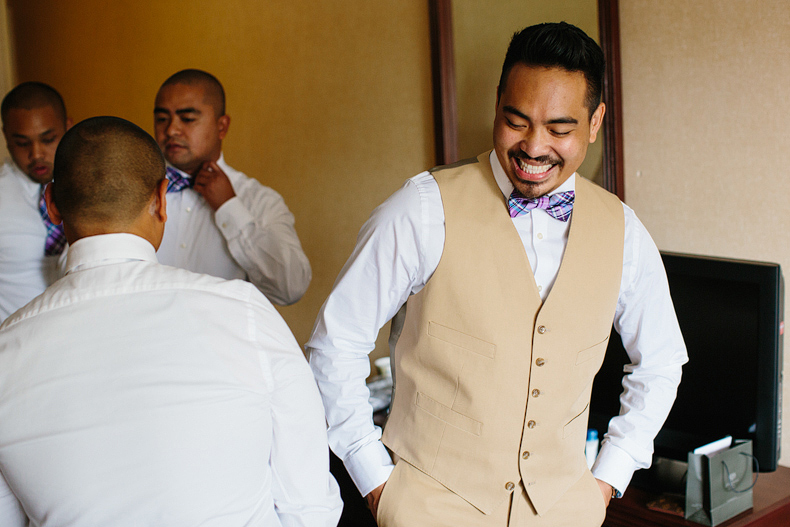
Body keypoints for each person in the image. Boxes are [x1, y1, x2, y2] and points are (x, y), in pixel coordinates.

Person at [307, 22, 688, 527]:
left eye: (559, 129)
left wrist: (607, 478)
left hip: (565, 510)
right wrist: (376, 482)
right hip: (427, 509)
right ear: (497, 102)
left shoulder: (624, 230)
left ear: (595, 122)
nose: (533, 147)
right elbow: (336, 344)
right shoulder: (422, 210)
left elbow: (661, 361)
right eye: (516, 120)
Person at [0, 116, 342, 526]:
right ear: (161, 199)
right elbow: (309, 508)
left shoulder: (6, 349)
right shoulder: (245, 314)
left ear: (52, 204)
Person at [153, 69, 310, 305]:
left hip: (217, 340)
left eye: (187, 118)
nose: (171, 130)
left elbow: (290, 289)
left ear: (222, 127)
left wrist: (230, 208)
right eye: (162, 119)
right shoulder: (135, 192)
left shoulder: (259, 201)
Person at [0, 82, 71, 321]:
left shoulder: (94, 184)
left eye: (48, 139)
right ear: (6, 138)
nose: (36, 154)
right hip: (14, 345)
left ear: (67, 128)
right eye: (22, 143)